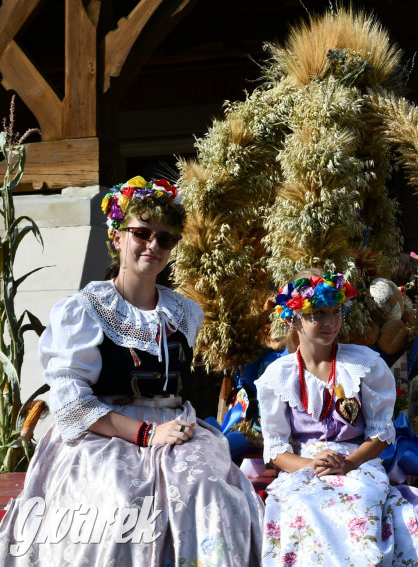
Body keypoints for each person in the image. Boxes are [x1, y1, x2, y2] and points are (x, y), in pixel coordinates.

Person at [0, 176, 264, 565]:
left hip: (175, 430)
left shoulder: (185, 312)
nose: (153, 245)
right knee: (121, 500)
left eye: (166, 238)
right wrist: (146, 434)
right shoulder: (85, 309)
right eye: (142, 233)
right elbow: (73, 406)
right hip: (102, 434)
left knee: (210, 492)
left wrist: (164, 431)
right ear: (118, 236)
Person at [256, 269, 418, 567]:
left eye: (336, 312)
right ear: (294, 317)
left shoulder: (363, 363)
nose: (330, 322)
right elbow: (275, 450)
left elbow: (380, 433)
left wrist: (349, 464)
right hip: (306, 468)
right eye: (318, 314)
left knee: (359, 501)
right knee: (300, 505)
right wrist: (312, 464)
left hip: (357, 463)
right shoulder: (278, 375)